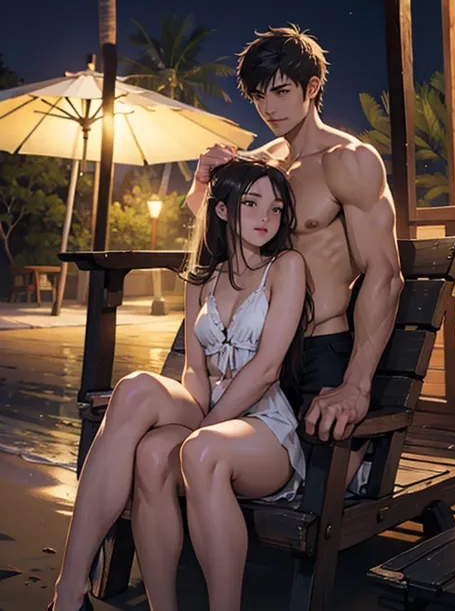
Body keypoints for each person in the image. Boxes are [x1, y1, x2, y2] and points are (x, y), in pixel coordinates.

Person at [48, 158, 312, 611]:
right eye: (252, 204)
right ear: (223, 210)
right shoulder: (202, 279)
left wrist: (201, 428)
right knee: (138, 407)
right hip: (210, 410)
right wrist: (191, 415)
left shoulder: (286, 266)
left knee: (200, 449)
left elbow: (267, 368)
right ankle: (71, 591)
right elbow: (195, 369)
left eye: (276, 207)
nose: (266, 218)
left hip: (264, 427)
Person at [186, 25, 404, 477]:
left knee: (319, 490)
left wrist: (356, 384)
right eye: (259, 96)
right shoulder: (261, 165)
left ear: (312, 88)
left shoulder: (348, 161)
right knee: (188, 460)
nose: (269, 108)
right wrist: (201, 185)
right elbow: (216, 238)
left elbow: (384, 274)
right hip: (256, 354)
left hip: (321, 350)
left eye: (282, 91)